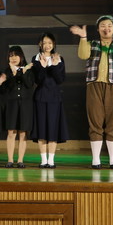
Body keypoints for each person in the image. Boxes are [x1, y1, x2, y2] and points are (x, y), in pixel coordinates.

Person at [70, 16, 113, 169]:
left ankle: (112, 160)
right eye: (103, 26)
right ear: (98, 29)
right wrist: (83, 38)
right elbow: (83, 55)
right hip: (94, 85)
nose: (106, 28)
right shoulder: (92, 44)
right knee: (95, 121)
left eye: (109, 26)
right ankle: (95, 159)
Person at [31, 32, 68, 168]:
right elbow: (37, 80)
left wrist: (54, 65)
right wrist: (42, 66)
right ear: (40, 44)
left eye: (50, 43)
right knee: (41, 128)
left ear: (54, 44)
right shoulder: (36, 58)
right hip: (40, 97)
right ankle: (43, 160)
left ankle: (51, 160)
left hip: (54, 98)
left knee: (53, 128)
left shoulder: (59, 58)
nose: (47, 45)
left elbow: (60, 80)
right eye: (44, 43)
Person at [3, 45, 34, 168]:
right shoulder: (7, 71)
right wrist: (13, 73)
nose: (13, 58)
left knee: (22, 133)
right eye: (11, 56)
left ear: (21, 56)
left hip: (25, 104)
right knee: (11, 132)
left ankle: (20, 160)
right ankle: (10, 160)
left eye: (16, 55)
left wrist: (24, 72)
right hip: (12, 104)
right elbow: (7, 87)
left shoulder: (29, 70)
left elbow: (29, 84)